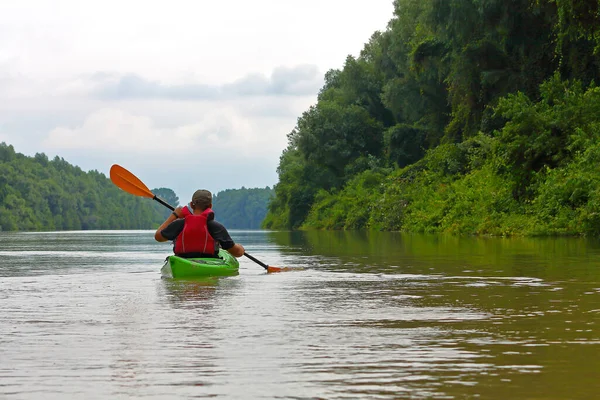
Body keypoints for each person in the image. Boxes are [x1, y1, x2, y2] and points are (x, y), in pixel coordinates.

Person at [154, 189, 245, 258]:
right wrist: (240, 249)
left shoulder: (180, 224)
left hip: (182, 260)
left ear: (192, 205)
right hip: (210, 262)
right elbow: (236, 252)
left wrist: (174, 215)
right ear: (210, 206)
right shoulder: (216, 227)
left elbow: (158, 237)